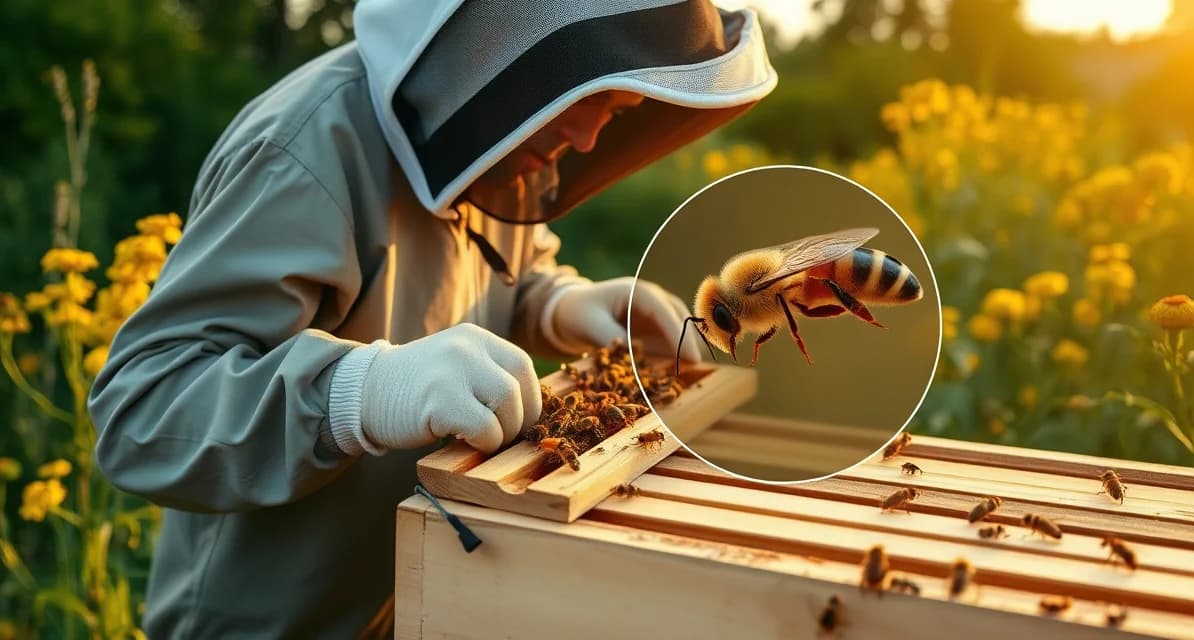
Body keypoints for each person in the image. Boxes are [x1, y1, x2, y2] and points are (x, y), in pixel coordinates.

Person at [87, 0, 776, 636]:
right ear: (502, 39)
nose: (591, 137)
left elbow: (498, 273)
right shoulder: (301, 153)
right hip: (267, 621)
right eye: (592, 97)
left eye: (618, 108)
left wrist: (560, 305)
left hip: (413, 595)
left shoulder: (503, 138)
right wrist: (356, 395)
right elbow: (141, 412)